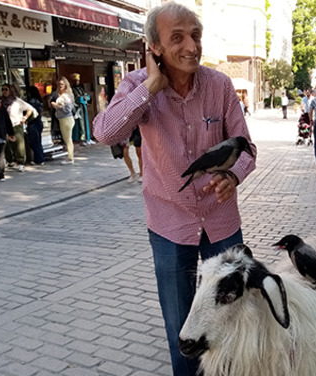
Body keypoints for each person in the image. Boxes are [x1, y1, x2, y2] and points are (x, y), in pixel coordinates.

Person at [92, 3, 257, 376]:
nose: (191, 46)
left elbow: (247, 147)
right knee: (181, 325)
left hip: (220, 219)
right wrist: (152, 87)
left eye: (195, 36)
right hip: (169, 223)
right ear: (155, 47)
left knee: (235, 315)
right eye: (177, 37)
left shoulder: (220, 86)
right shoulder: (136, 86)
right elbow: (104, 133)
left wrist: (233, 177)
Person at [2, 84, 37, 172]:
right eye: (2, 89)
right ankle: (10, 160)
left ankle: (21, 162)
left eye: (6, 89)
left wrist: (25, 117)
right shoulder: (1, 101)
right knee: (6, 144)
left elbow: (30, 108)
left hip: (16, 124)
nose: (4, 91)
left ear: (11, 90)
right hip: (5, 125)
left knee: (19, 145)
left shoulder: (17, 101)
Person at [51, 77, 76, 165]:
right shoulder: (62, 95)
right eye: (59, 84)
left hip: (66, 119)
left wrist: (57, 106)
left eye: (62, 84)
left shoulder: (66, 96)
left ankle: (70, 158)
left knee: (68, 139)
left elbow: (68, 109)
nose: (60, 86)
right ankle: (70, 157)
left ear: (65, 85)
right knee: (67, 139)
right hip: (63, 119)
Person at [26, 86, 46, 166]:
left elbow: (30, 112)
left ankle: (39, 159)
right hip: (38, 122)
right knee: (38, 141)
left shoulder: (32, 101)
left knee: (34, 142)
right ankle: (39, 158)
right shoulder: (38, 100)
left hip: (33, 123)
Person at [70, 73, 91, 144]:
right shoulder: (71, 89)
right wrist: (84, 99)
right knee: (80, 124)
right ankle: (81, 139)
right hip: (77, 108)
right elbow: (78, 99)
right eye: (75, 81)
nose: (77, 82)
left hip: (83, 107)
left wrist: (84, 98)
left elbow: (88, 97)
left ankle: (87, 138)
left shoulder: (81, 89)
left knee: (85, 122)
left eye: (78, 81)